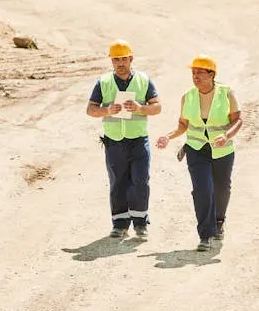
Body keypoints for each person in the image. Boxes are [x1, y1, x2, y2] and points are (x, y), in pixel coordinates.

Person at [156, 55, 242, 252]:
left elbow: (238, 120)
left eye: (200, 73)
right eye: (193, 73)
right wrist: (168, 136)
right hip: (196, 149)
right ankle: (205, 234)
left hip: (222, 149)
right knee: (202, 189)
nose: (195, 77)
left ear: (212, 74)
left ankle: (219, 221)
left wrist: (226, 136)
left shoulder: (226, 94)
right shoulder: (188, 96)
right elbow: (183, 124)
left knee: (221, 188)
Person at [86, 39, 161, 239]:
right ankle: (119, 224)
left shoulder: (144, 80)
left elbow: (157, 107)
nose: (120, 63)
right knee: (118, 182)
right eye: (115, 59)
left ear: (131, 59)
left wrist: (140, 108)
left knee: (140, 180)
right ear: (111, 61)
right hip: (114, 141)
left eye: (123, 59)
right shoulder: (103, 82)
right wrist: (107, 110)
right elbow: (90, 109)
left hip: (138, 139)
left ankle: (140, 222)